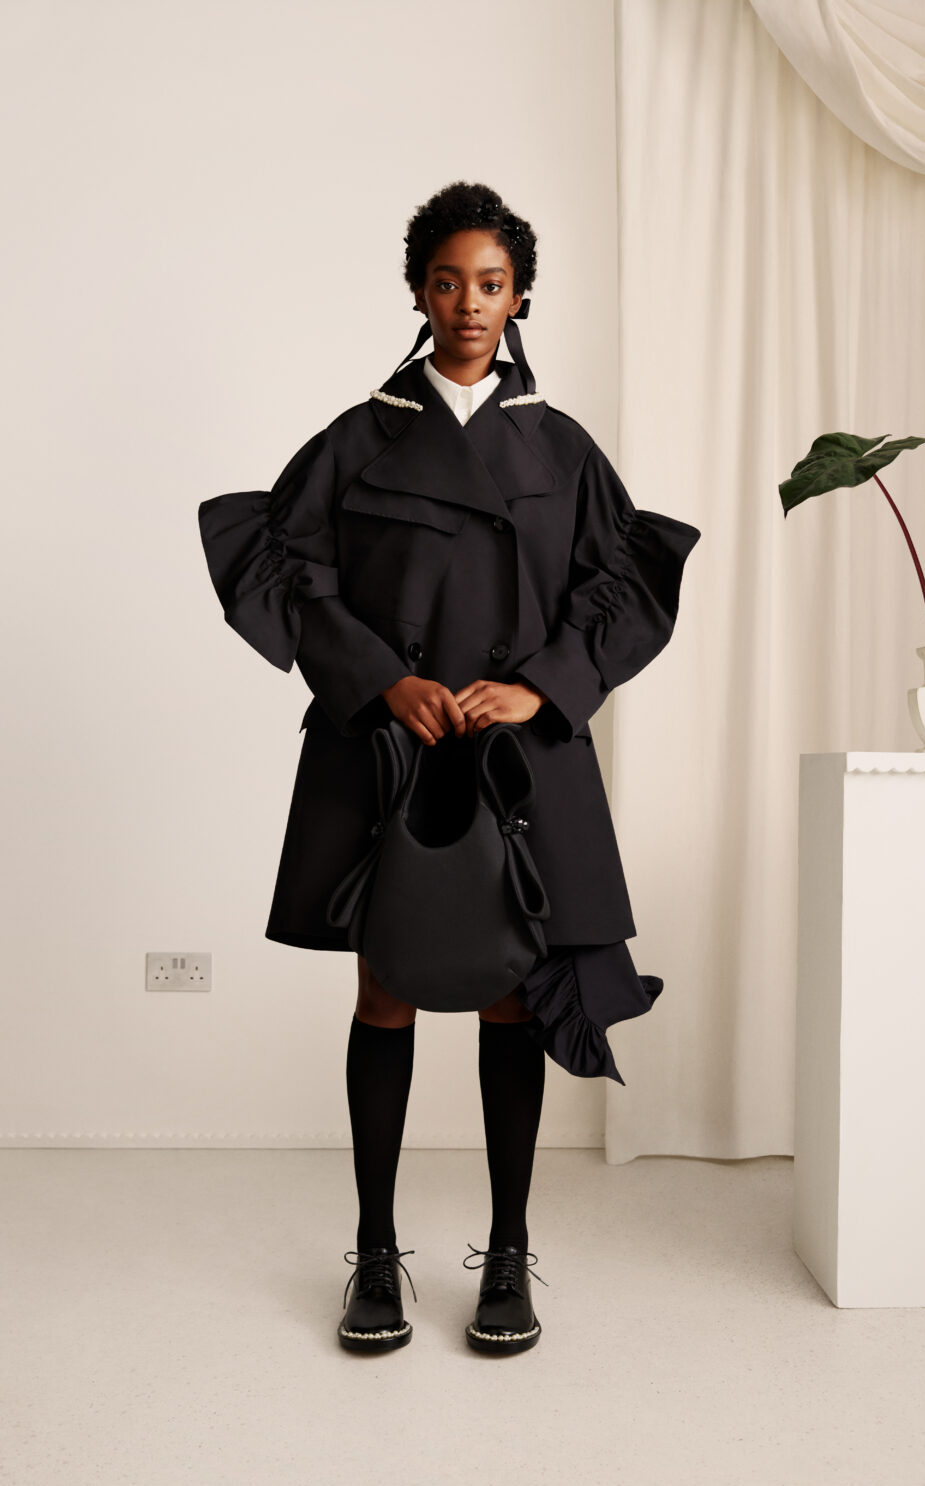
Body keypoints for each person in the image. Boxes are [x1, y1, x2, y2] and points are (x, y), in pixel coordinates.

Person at [197, 181, 701, 1356]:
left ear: (519, 297)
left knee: (510, 990)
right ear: (418, 293)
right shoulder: (357, 437)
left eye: (491, 283)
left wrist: (544, 687)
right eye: (447, 281)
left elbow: (618, 588)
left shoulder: (561, 447)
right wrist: (383, 679)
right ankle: (374, 1253)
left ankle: (508, 1253)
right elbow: (289, 573)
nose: (469, 303)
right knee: (383, 990)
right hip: (388, 750)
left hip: (515, 759)